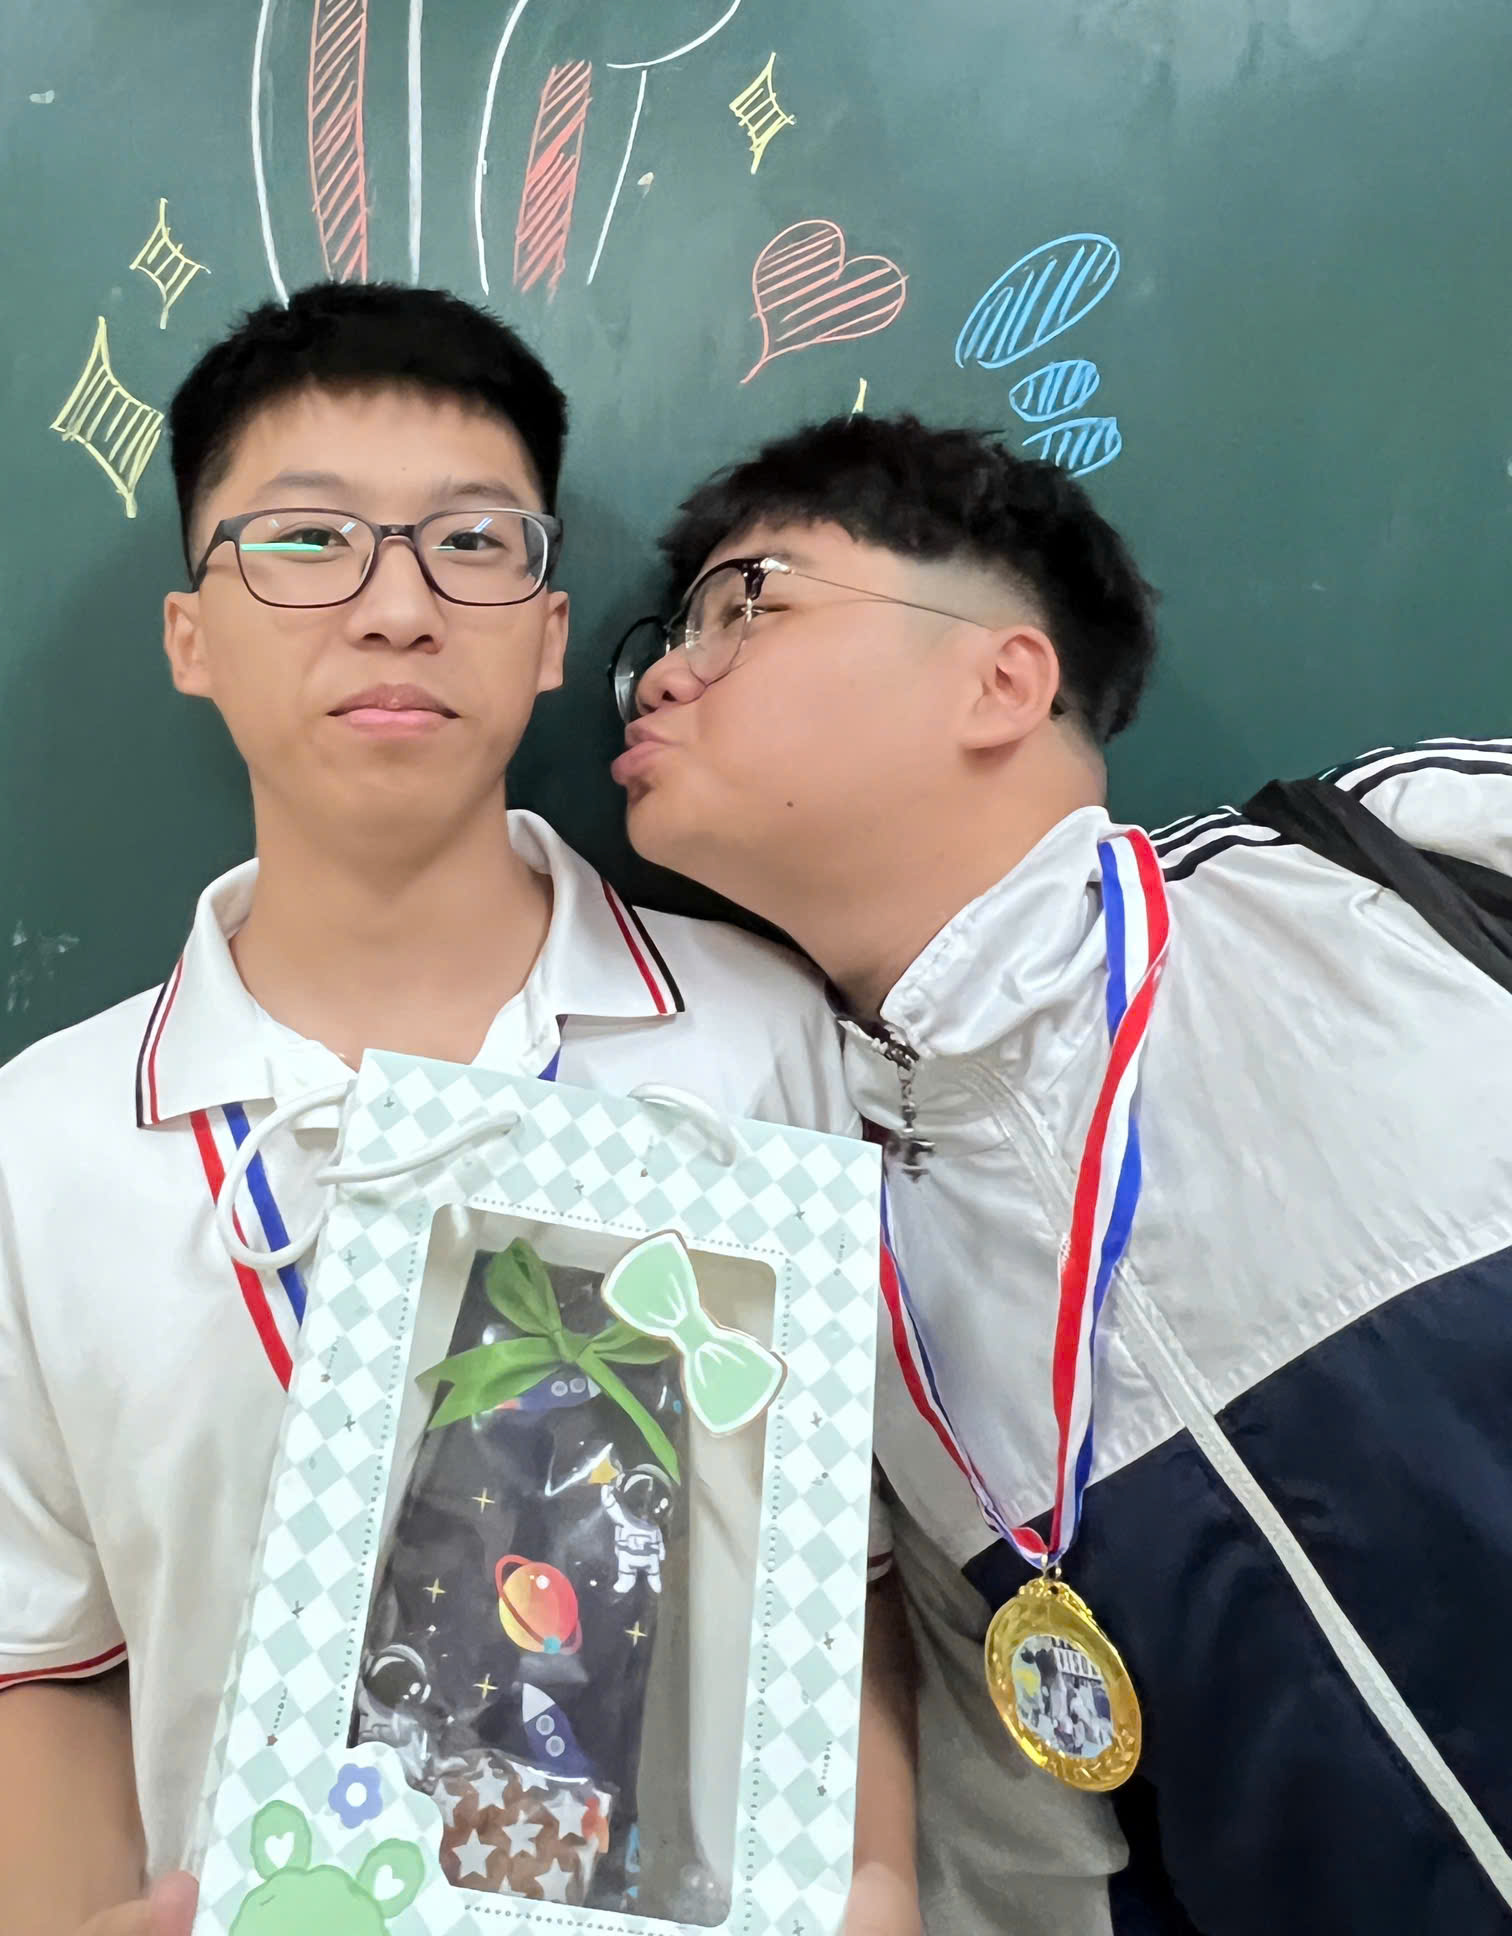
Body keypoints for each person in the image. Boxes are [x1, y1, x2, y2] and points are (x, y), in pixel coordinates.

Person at [0, 287, 919, 1936]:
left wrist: (873, 1881)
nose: (394, 610)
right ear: (190, 636)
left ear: (553, 630)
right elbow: (30, 1665)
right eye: (304, 542)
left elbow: (837, 1588)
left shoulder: (759, 1046)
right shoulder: (38, 1151)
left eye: (470, 543)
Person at [611, 411, 1512, 1936]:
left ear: (1003, 680)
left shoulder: (1391, 867)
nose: (660, 677)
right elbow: (1034, 1857)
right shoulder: (806, 1252)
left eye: (746, 605)